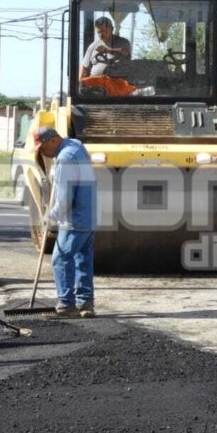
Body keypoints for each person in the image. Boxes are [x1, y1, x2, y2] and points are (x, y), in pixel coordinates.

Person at [33, 126, 97, 318]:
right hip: (89, 214)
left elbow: (64, 199)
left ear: (52, 140)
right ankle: (85, 304)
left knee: (60, 259)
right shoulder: (76, 146)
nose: (42, 153)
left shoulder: (65, 158)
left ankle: (66, 304)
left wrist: (49, 218)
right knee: (83, 258)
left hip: (74, 218)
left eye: (42, 148)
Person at [79, 16, 138, 97]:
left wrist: (109, 50)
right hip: (96, 87)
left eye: (103, 31)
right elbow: (84, 66)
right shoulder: (93, 46)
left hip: (118, 85)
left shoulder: (123, 42)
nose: (101, 35)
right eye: (98, 32)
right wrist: (79, 83)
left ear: (112, 29)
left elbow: (125, 51)